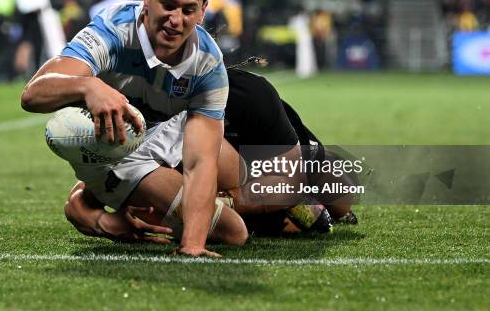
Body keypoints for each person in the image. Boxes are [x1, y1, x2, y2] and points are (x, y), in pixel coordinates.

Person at [21, 0, 238, 257]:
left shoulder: (208, 62)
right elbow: (32, 95)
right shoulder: (112, 31)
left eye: (189, 9)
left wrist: (192, 244)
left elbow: (200, 162)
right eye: (168, 4)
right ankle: (101, 203)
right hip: (122, 153)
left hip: (167, 132)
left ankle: (89, 202)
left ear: (203, 11)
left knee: (238, 177)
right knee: (235, 232)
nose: (176, 20)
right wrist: (88, 85)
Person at [62, 64, 358, 243]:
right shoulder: (144, 110)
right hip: (221, 177)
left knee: (338, 202)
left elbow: (288, 183)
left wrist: (210, 202)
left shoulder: (248, 94)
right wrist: (95, 215)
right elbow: (99, 182)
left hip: (283, 167)